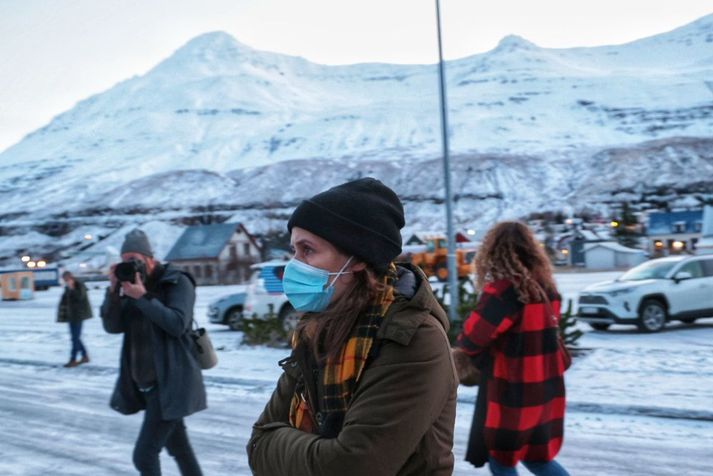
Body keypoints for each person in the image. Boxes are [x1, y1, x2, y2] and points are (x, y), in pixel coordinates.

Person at [246, 177, 457, 475]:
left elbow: (352, 466)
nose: (294, 265)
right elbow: (257, 444)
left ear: (357, 258)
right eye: (294, 250)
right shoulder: (316, 329)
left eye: (308, 250)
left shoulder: (414, 338)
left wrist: (276, 442)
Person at [457, 221, 570, 476]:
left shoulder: (504, 292)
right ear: (531, 250)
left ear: (493, 252)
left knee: (502, 461)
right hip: (548, 389)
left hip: (514, 392)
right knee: (538, 458)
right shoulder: (547, 289)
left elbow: (472, 339)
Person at [100, 229, 205, 476]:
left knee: (144, 456)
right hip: (147, 385)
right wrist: (114, 292)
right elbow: (113, 327)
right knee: (181, 450)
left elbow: (177, 324)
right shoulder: (130, 285)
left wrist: (144, 297)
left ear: (150, 258)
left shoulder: (177, 281)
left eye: (134, 257)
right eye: (125, 259)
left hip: (172, 382)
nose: (130, 264)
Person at [57, 270, 92, 367]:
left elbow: (80, 297)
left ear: (70, 277)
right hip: (71, 316)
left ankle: (73, 359)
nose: (65, 281)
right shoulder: (68, 287)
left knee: (75, 338)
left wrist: (72, 288)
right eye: (64, 279)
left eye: (66, 279)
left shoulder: (78, 285)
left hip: (78, 315)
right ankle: (85, 356)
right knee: (75, 338)